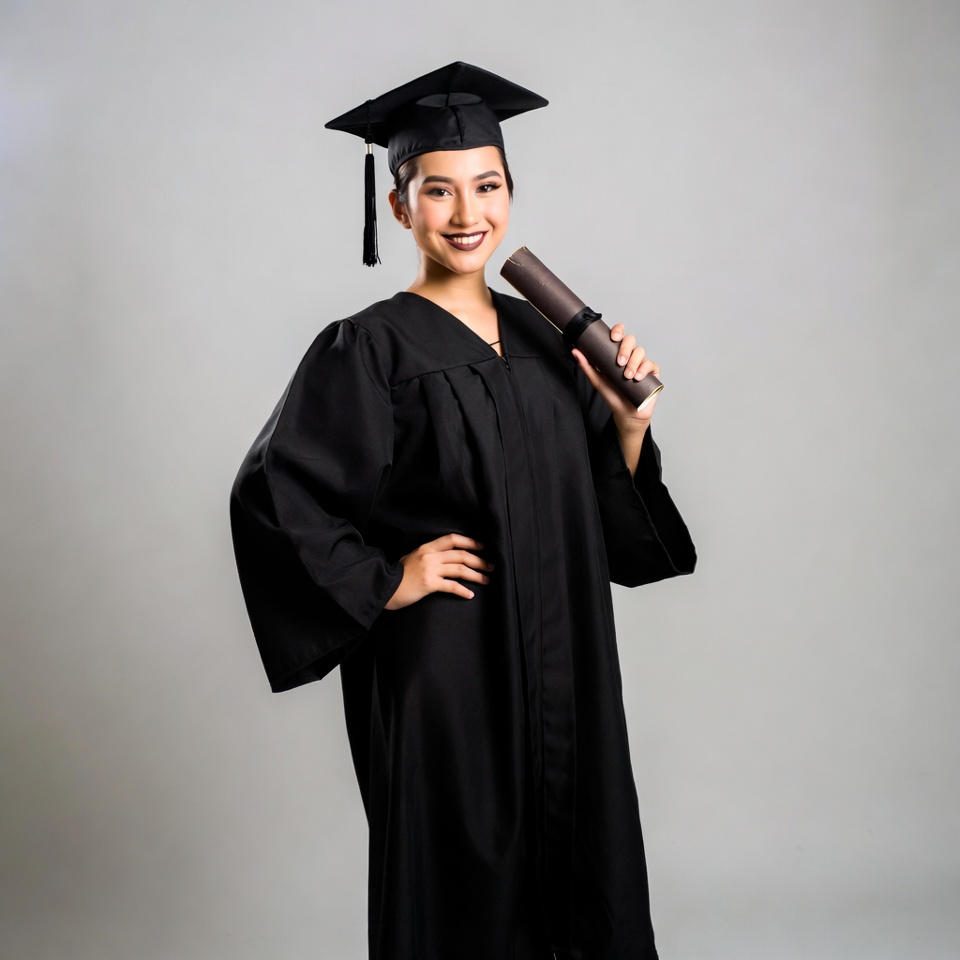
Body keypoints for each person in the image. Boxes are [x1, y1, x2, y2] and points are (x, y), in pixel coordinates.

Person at [230, 62, 696, 960]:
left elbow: (605, 519)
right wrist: (387, 580)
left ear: (510, 194)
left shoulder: (550, 339)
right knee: (461, 882)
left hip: (567, 659)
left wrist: (630, 425)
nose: (466, 212)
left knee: (582, 868)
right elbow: (276, 495)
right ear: (400, 207)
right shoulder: (369, 347)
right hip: (448, 671)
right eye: (437, 190)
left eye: (487, 186)